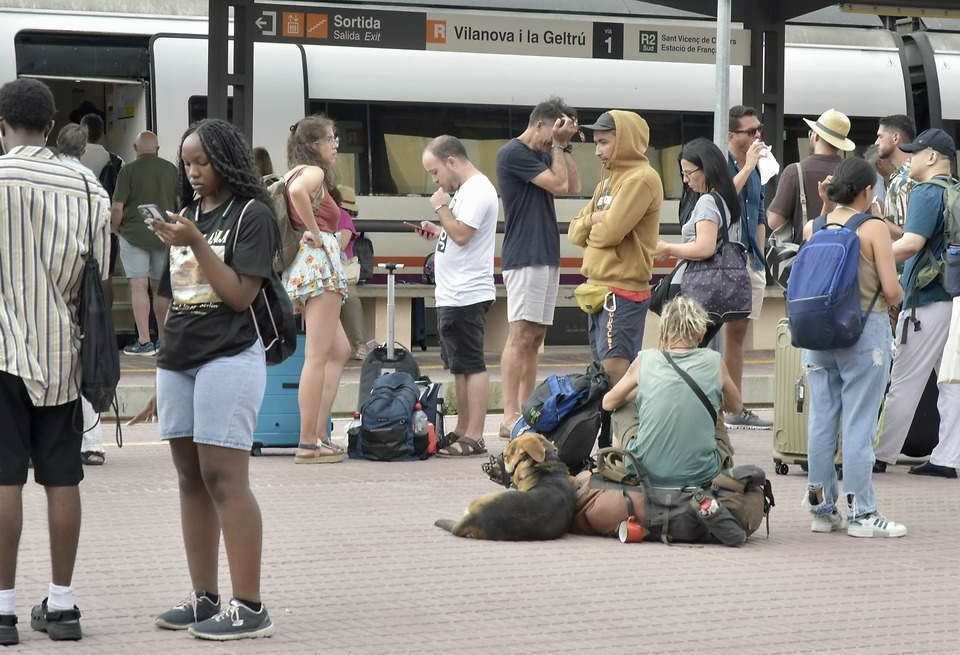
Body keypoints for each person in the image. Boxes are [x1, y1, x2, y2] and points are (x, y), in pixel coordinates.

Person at [150, 118, 275, 640]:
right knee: (189, 477)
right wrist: (164, 354)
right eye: (187, 163)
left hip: (229, 354)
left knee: (224, 476)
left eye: (203, 162)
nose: (194, 172)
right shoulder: (187, 215)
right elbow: (172, 291)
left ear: (226, 160)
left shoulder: (253, 214)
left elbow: (240, 295)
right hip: (179, 356)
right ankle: (204, 598)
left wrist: (198, 240)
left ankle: (249, 606)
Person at [0, 78, 111, 645]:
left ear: (1, 126)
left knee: (3, 480)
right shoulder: (88, 186)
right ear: (50, 127)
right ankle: (63, 605)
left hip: (0, 354)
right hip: (62, 354)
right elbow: (99, 277)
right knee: (62, 479)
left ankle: (2, 611)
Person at [800, 158, 906, 537]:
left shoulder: (815, 226)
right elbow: (892, 291)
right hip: (864, 333)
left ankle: (822, 510)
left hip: (815, 336)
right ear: (867, 191)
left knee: (821, 421)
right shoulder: (873, 228)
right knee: (859, 423)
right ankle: (862, 513)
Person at [874, 128, 960, 479]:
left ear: (932, 157)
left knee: (905, 379)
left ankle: (879, 453)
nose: (908, 159)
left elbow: (911, 243)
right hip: (953, 296)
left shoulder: (926, 192)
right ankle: (947, 457)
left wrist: (870, 258)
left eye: (914, 153)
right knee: (951, 381)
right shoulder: (955, 191)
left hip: (927, 299)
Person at [495, 96, 581, 439]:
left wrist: (565, 148)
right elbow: (559, 185)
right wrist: (557, 148)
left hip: (545, 253)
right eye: (554, 132)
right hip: (524, 254)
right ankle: (509, 414)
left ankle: (527, 407)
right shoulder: (513, 153)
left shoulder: (548, 153)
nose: (554, 140)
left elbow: (572, 187)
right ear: (540, 124)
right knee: (519, 334)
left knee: (536, 336)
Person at [601, 296, 742, 489]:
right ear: (700, 329)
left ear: (665, 329)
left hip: (646, 471)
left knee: (622, 407)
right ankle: (718, 473)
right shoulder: (714, 361)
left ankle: (626, 475)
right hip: (704, 474)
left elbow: (608, 403)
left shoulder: (645, 360)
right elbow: (736, 406)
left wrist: (639, 394)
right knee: (715, 408)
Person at [416, 135, 498, 456]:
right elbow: (460, 232)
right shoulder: (465, 191)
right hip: (452, 292)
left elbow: (463, 234)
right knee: (460, 366)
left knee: (472, 364)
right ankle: (463, 429)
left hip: (467, 292)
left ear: (451, 160)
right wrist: (437, 231)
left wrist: (441, 208)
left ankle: (475, 435)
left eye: (435, 172)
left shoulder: (478, 189)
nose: (435, 180)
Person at [567, 110, 662, 384]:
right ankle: (609, 428)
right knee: (601, 375)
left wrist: (594, 228)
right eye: (596, 142)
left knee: (615, 371)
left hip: (622, 293)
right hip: (598, 290)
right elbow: (573, 232)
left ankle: (626, 429)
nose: (597, 151)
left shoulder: (641, 179)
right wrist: (595, 218)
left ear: (626, 141)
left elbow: (610, 234)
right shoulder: (606, 184)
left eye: (604, 142)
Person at [283, 116, 351, 464]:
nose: (334, 145)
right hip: (320, 266)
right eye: (330, 139)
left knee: (339, 350)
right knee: (317, 356)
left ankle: (320, 433)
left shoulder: (293, 171)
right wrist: (315, 231)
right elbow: (297, 195)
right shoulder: (313, 174)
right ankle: (309, 441)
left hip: (306, 265)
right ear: (314, 146)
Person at [56, 122, 110, 466]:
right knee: (87, 359)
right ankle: (92, 441)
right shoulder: (95, 189)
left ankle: (48, 439)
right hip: (83, 287)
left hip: (46, 283)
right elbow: (102, 253)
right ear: (84, 147)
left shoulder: (44, 178)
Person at [655, 138, 743, 348]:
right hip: (715, 288)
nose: (685, 180)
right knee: (693, 353)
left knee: (679, 354)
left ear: (707, 169)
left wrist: (668, 248)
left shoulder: (707, 202)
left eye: (688, 173)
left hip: (692, 288)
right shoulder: (725, 199)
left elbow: (705, 247)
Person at [724, 105, 773, 429]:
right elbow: (724, 197)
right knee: (720, 332)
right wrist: (750, 164)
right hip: (723, 259)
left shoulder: (756, 169)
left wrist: (759, 254)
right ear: (731, 136)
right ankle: (726, 405)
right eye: (750, 131)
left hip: (749, 258)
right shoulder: (723, 164)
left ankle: (735, 406)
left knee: (739, 333)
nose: (758, 136)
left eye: (759, 130)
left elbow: (758, 214)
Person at [111, 131, 178, 355]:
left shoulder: (127, 170)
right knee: (161, 288)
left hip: (134, 234)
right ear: (157, 148)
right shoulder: (171, 170)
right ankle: (163, 340)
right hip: (163, 234)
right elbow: (179, 204)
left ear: (135, 147)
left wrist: (115, 228)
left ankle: (144, 341)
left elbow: (118, 207)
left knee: (139, 286)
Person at [767, 108, 855, 237]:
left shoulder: (794, 172)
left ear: (816, 136)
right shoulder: (854, 173)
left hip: (805, 252)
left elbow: (774, 221)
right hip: (845, 252)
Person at [333, 185, 377, 360]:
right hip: (338, 273)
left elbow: (340, 246)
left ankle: (357, 345)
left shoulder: (341, 217)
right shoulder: (343, 216)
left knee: (349, 299)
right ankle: (358, 345)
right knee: (351, 300)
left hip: (339, 271)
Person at [875, 114, 917, 235]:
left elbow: (907, 236)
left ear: (895, 138)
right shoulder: (904, 175)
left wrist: (879, 217)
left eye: (880, 136)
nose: (876, 142)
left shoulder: (905, 180)